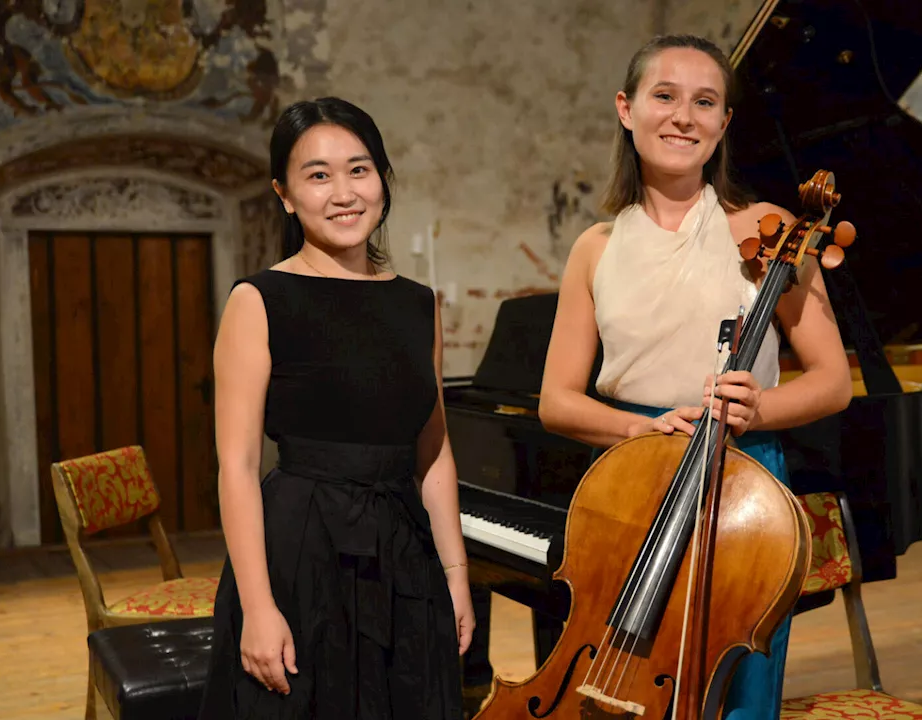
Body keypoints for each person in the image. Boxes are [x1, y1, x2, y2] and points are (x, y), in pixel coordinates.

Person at [538, 34, 853, 719]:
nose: (683, 116)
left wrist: (759, 409)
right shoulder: (595, 248)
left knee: (734, 689)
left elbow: (833, 381)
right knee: (625, 669)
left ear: (724, 124)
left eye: (705, 102)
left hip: (743, 478)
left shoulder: (768, 230)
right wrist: (642, 428)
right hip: (630, 479)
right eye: (665, 96)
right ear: (627, 109)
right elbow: (556, 401)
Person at [198, 96, 473, 720]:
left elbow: (433, 453)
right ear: (286, 194)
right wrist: (259, 607)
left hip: (404, 549)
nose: (344, 192)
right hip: (300, 552)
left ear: (382, 180)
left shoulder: (418, 304)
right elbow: (237, 467)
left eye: (359, 169)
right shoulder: (259, 299)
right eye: (318, 175)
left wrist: (456, 573)